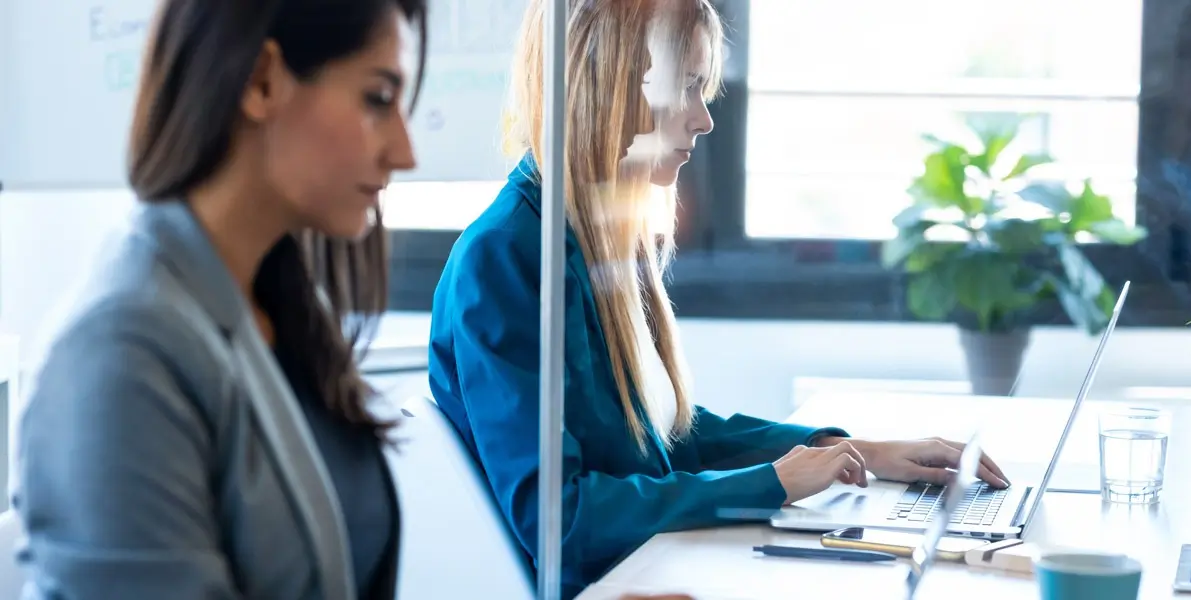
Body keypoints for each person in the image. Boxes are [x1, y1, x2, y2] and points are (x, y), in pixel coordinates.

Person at [427, 0, 1011, 597]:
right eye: (684, 86)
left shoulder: (593, 234)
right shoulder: (507, 257)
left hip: (652, 566)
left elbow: (664, 434)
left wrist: (850, 450)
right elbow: (560, 519)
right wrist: (771, 483)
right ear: (611, 84)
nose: (704, 120)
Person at [12, 0, 427, 598]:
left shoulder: (278, 301)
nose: (404, 153)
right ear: (261, 81)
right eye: (378, 99)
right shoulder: (122, 355)